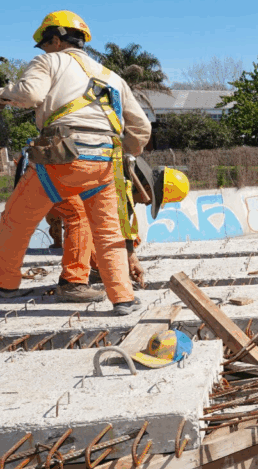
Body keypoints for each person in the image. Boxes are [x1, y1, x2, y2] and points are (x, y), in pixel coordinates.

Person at [0, 11, 151, 315]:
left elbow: (30, 94)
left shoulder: (49, 62)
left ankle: (5, 285)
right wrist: (124, 150)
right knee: (108, 233)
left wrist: (4, 94)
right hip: (105, 163)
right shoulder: (111, 77)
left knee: (15, 222)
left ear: (56, 39)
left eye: (46, 44)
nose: (44, 51)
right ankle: (123, 299)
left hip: (60, 158)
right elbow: (141, 129)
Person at [46, 164, 190, 301]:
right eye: (150, 201)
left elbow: (122, 225)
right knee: (80, 217)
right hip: (56, 180)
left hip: (62, 182)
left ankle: (96, 270)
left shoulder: (129, 180)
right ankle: (72, 283)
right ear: (146, 188)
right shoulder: (120, 180)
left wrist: (131, 258)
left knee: (121, 238)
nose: (146, 204)